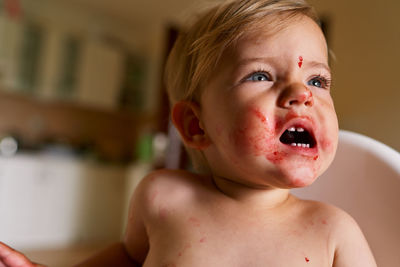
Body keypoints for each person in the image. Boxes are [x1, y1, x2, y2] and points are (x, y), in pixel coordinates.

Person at [0, 0, 377, 266]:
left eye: (317, 79)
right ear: (196, 126)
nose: (302, 94)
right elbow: (129, 259)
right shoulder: (164, 197)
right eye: (260, 75)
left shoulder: (333, 232)